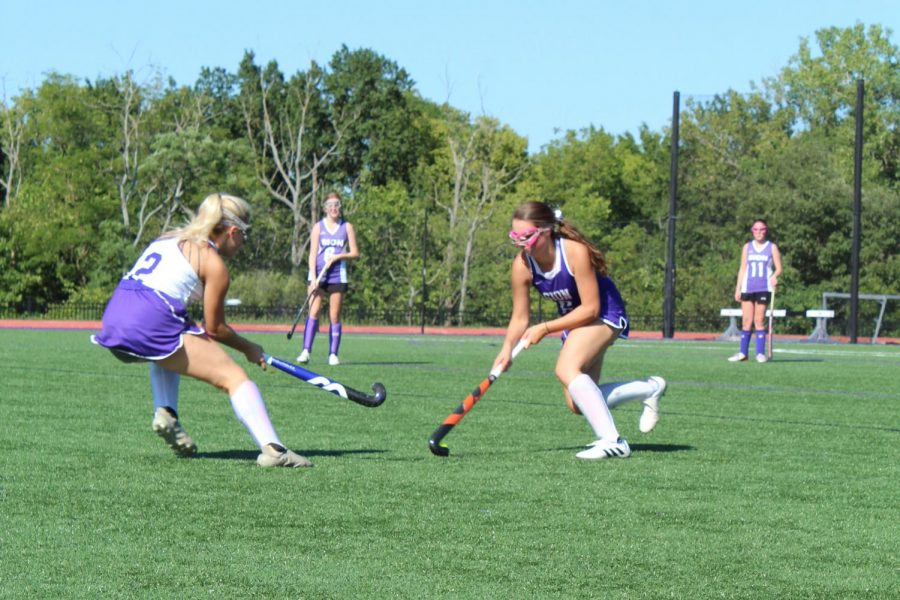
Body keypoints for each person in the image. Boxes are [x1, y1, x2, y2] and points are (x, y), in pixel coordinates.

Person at [92, 192, 312, 468]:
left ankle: (166, 411)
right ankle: (274, 450)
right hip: (151, 318)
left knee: (172, 342)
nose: (244, 243)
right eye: (245, 234)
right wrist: (249, 348)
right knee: (234, 377)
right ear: (232, 231)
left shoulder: (167, 238)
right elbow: (216, 329)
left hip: (114, 320)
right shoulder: (213, 263)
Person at [492, 201, 667, 460]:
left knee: (565, 369)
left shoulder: (574, 253)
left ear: (546, 230)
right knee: (577, 404)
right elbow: (520, 317)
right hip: (574, 322)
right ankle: (650, 389)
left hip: (604, 313)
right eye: (515, 237)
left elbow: (591, 309)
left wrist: (546, 327)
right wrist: (506, 350)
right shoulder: (522, 265)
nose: (520, 244)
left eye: (526, 237)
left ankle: (613, 441)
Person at [296, 192, 359, 366]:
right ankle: (306, 351)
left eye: (337, 204)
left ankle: (333, 354)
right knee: (314, 311)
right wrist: (313, 277)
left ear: (340, 207)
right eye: (330, 205)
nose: (334, 208)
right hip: (318, 275)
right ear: (325, 209)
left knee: (334, 315)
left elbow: (355, 253)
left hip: (337, 275)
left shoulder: (347, 227)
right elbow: (312, 254)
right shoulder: (318, 227)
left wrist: (338, 257)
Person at [729, 219, 783, 363]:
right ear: (752, 231)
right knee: (746, 321)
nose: (759, 232)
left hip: (763, 287)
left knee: (759, 320)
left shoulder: (772, 247)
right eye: (756, 229)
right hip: (748, 287)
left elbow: (779, 268)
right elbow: (742, 268)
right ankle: (743, 353)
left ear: (766, 230)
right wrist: (738, 288)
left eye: (762, 229)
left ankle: (760, 353)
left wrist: (775, 276)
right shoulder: (747, 247)